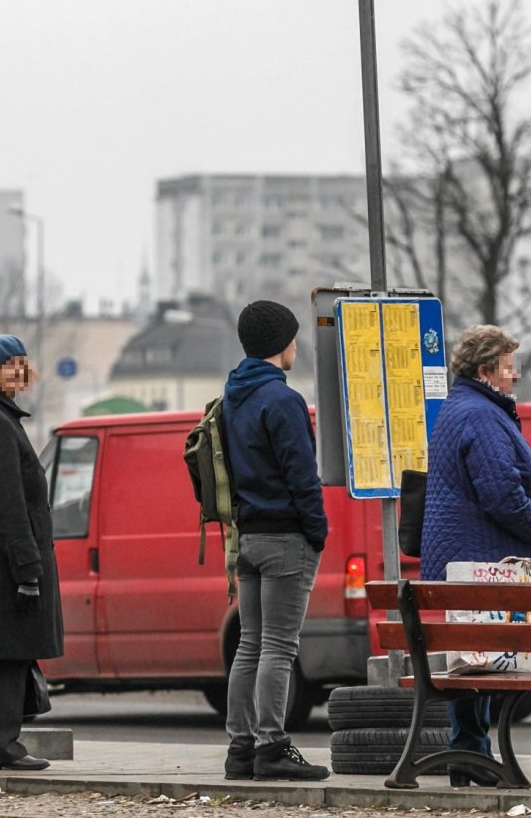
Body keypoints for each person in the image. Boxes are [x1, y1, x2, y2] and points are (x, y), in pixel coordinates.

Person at [422, 324, 531, 788]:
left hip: (459, 556)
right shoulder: (481, 417)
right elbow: (502, 494)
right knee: (481, 657)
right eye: (507, 366)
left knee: (473, 657)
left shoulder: (458, 410)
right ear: (485, 371)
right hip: (479, 558)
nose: (514, 375)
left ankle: (471, 752)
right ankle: (473, 752)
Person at [221, 300, 330, 782]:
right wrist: (317, 529)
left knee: (250, 645)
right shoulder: (281, 400)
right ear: (281, 343)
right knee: (280, 648)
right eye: (292, 337)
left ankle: (240, 751)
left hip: (247, 537)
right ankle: (272, 747)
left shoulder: (232, 397)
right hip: (286, 537)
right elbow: (302, 474)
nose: (295, 346)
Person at [0, 334, 63, 771]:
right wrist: (26, 567)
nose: (18, 371)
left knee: (3, 652)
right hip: (4, 561)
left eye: (22, 363)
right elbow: (7, 504)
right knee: (4, 652)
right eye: (8, 365)